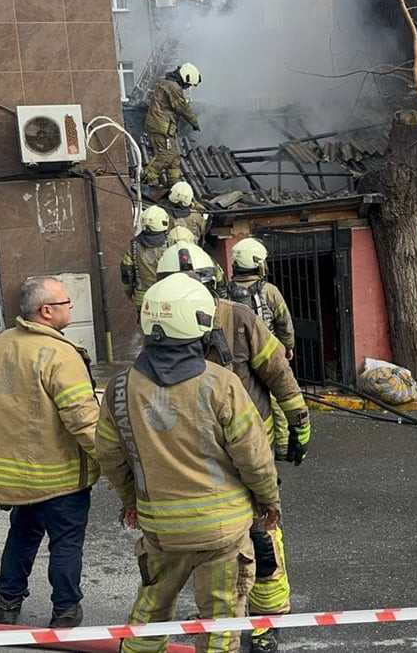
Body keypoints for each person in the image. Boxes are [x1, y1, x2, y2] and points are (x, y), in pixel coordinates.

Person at [97, 273, 280, 653]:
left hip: (161, 529)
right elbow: (254, 457)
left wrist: (131, 502)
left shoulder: (119, 387)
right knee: (220, 623)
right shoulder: (221, 384)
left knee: (149, 614)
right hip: (222, 531)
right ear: (200, 323)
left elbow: (111, 458)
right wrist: (268, 501)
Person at [156, 241, 310, 653]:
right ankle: (220, 615)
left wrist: (299, 423)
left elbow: (278, 372)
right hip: (197, 455)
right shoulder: (160, 329)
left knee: (261, 535)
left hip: (248, 449)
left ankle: (267, 622)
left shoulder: (239, 319)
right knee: (212, 542)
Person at [0, 276, 100, 628]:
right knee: (66, 542)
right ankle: (65, 613)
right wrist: (113, 462)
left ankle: (7, 604)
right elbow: (83, 420)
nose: (72, 307)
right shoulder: (60, 354)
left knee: (22, 534)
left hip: (12, 476)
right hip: (60, 476)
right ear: (47, 311)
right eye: (67, 302)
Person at [227, 237, 296, 460]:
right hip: (268, 353)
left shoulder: (223, 293)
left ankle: (252, 448)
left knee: (246, 401)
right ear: (259, 264)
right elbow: (284, 322)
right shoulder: (270, 291)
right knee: (277, 399)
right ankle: (283, 448)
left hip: (237, 357)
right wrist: (287, 347)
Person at [141, 63, 200, 188]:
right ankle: (147, 177)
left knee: (174, 156)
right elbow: (181, 107)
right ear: (185, 78)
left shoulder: (168, 83)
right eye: (188, 84)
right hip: (161, 127)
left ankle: (174, 182)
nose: (187, 87)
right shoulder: (173, 87)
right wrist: (194, 122)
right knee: (166, 155)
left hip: (163, 126)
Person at [121, 206, 175, 314]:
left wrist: (128, 291)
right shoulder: (172, 243)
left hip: (144, 298)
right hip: (169, 296)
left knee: (146, 327)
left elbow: (126, 269)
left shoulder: (134, 245)